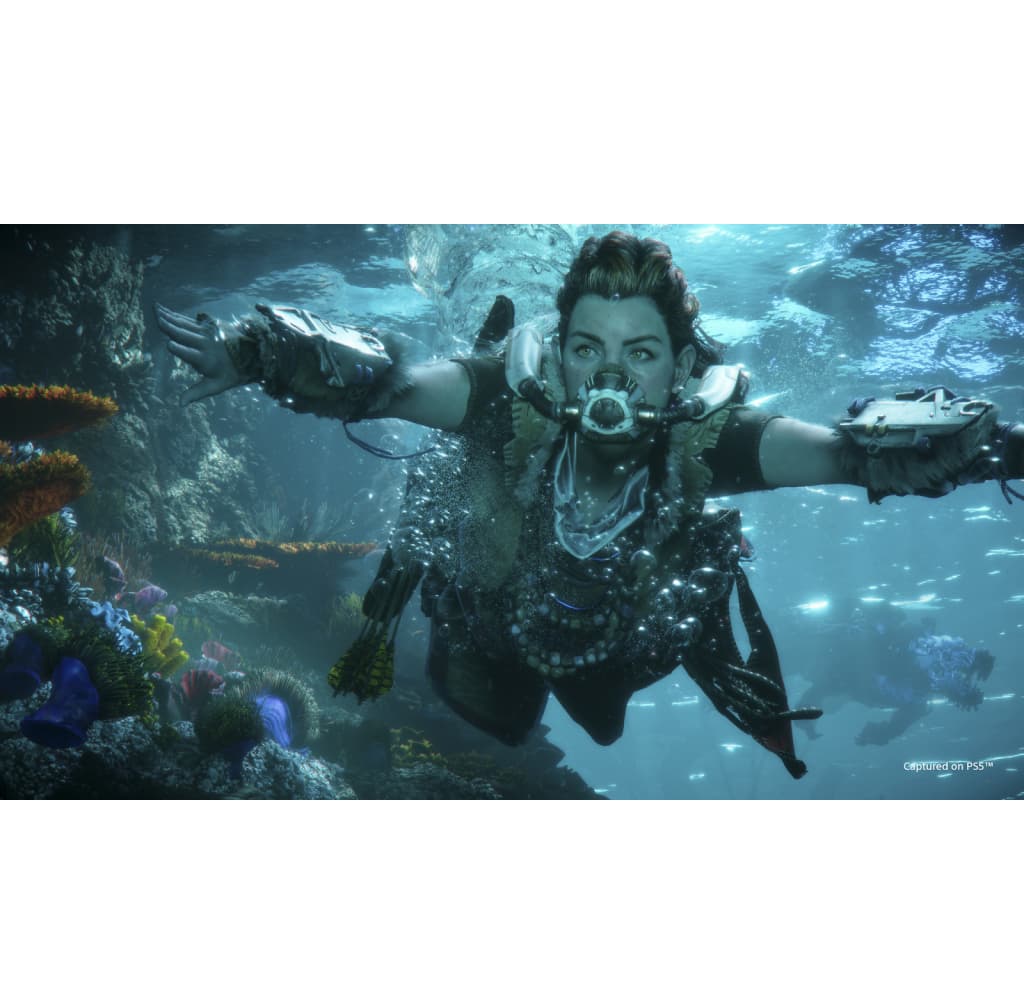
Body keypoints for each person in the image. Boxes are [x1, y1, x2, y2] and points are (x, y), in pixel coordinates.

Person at [155, 231, 1024, 779]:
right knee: (492, 713)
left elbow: (850, 451)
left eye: (640, 352)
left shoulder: (707, 439)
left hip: (624, 646)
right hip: (490, 627)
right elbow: (391, 385)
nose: (611, 376)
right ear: (559, 357)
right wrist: (267, 348)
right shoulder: (503, 398)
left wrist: (992, 448)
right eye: (587, 349)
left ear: (680, 369)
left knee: (601, 727)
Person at [790, 602, 995, 746]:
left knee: (834, 679)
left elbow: (892, 726)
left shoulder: (917, 696)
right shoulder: (917, 644)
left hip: (849, 666)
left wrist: (880, 734)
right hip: (849, 658)